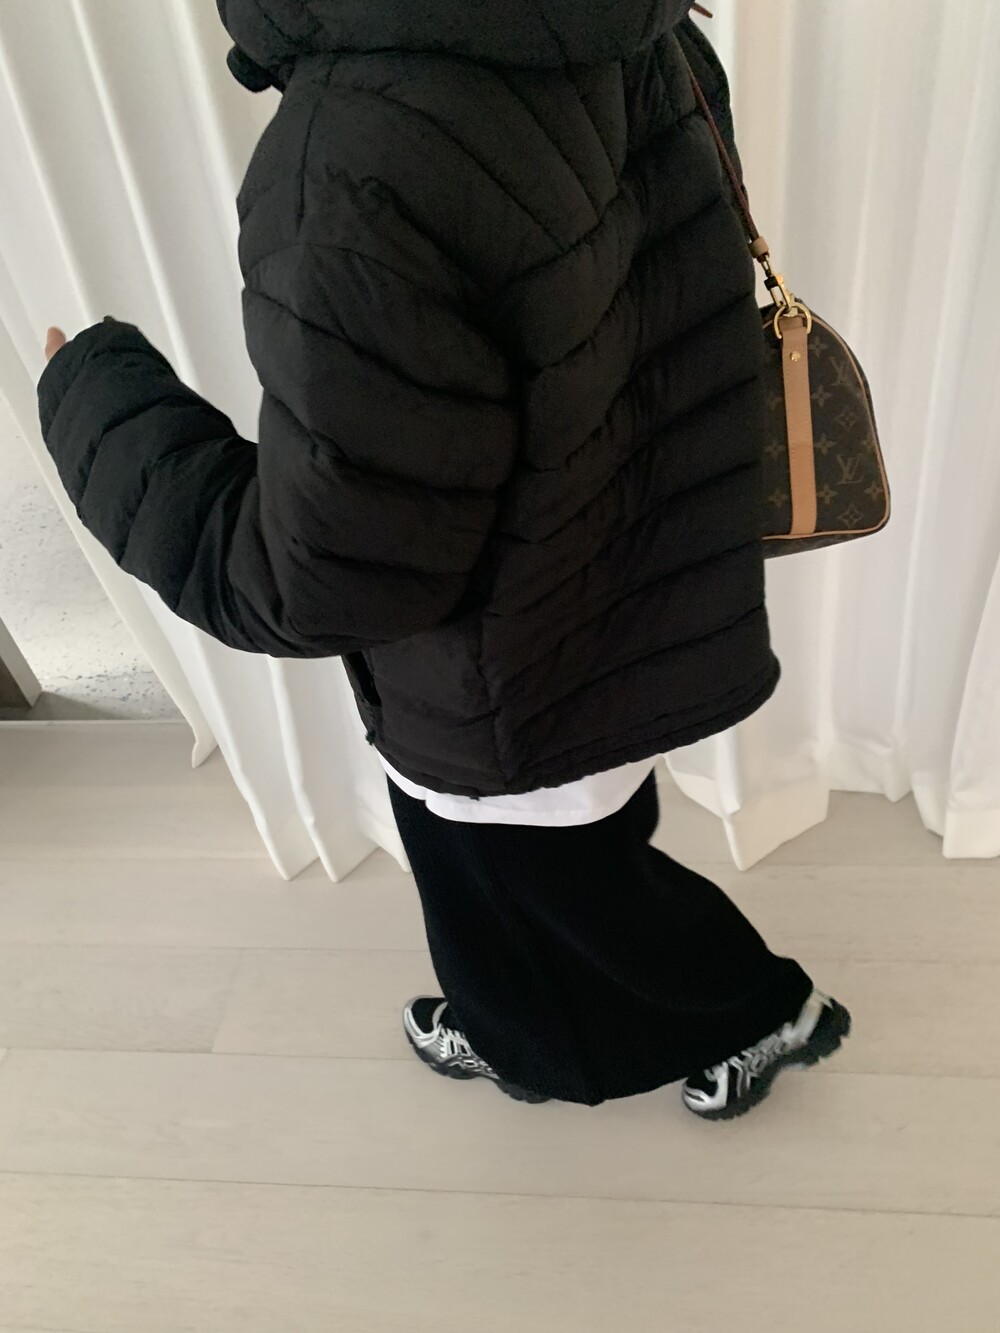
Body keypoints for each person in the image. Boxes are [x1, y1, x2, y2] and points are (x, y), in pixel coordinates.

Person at [38, 0, 850, 1119]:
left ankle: (750, 1008)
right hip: (632, 587)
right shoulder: (617, 26)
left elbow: (325, 574)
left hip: (500, 677)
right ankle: (515, 1017)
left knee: (539, 888)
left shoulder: (353, 162)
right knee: (561, 872)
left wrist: (98, 412)